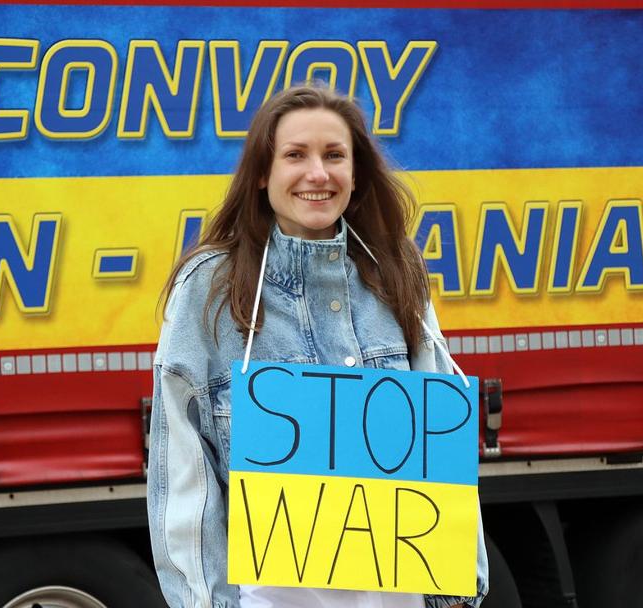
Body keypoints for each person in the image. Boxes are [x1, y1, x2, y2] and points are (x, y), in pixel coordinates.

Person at [147, 84, 488, 608]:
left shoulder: (397, 269)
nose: (318, 174)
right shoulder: (208, 287)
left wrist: (455, 592)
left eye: (334, 156)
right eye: (295, 155)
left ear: (356, 174)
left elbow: (438, 445)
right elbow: (184, 475)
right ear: (263, 173)